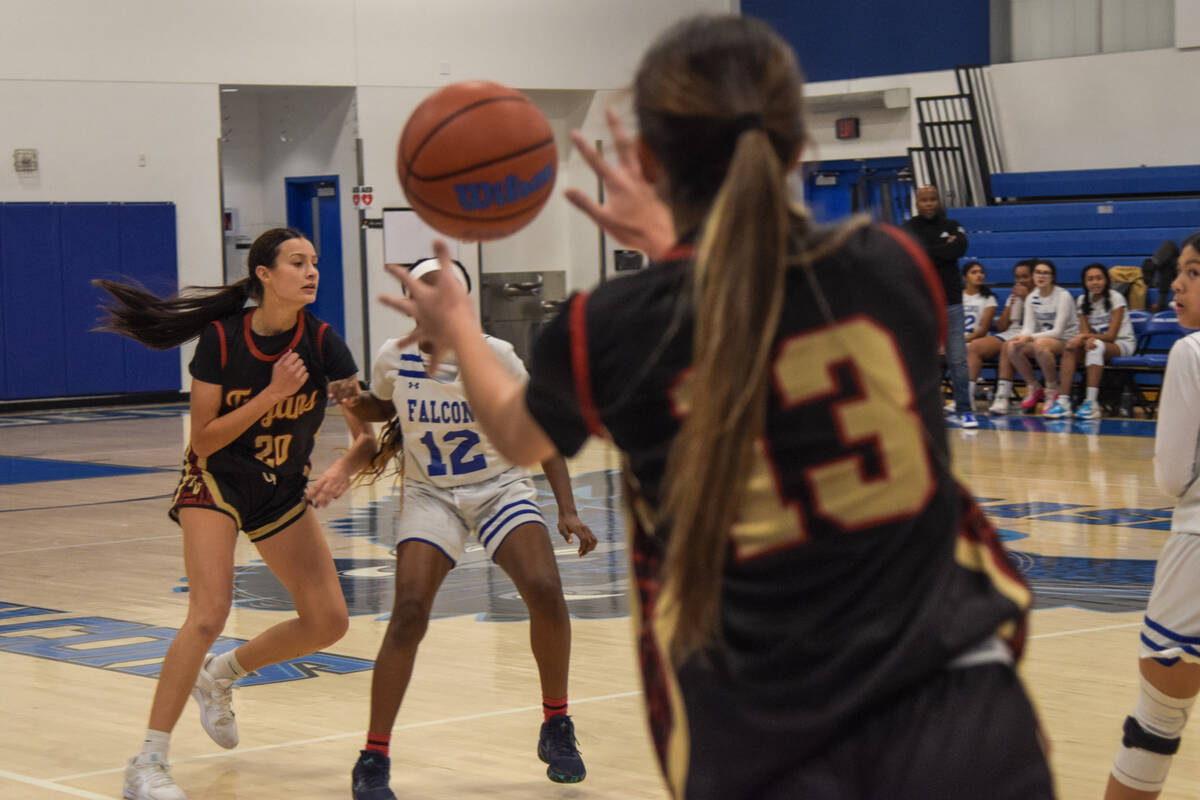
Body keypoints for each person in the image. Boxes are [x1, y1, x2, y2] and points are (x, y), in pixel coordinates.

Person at [379, 15, 1053, 799]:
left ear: (648, 161)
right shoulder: (890, 264)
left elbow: (517, 434)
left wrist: (459, 327)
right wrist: (677, 249)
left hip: (766, 732)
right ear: (798, 147)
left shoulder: (614, 324)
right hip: (962, 710)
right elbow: (742, 298)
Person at [306, 258, 598, 799]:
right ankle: (374, 757)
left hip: (499, 486)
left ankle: (556, 723)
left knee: (544, 587)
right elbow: (382, 404)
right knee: (409, 612)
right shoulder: (392, 356)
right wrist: (350, 398)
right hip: (430, 494)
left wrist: (567, 508)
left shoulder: (496, 355)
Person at [94, 228, 359, 800]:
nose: (312, 271)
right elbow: (205, 442)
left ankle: (224, 674)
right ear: (264, 274)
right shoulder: (220, 339)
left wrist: (347, 466)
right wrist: (268, 395)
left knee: (328, 622)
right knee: (209, 613)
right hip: (216, 478)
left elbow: (364, 432)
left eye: (314, 262)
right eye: (297, 262)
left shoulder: (325, 343)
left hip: (281, 487)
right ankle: (147, 763)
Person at [1105, 232, 1200, 798]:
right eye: (1180, 273)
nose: (1178, 284)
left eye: (1194, 272)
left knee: (1156, 724)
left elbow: (1170, 477)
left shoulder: (1191, 353)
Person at [902, 184, 974, 427]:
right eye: (925, 199)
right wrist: (944, 250)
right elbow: (911, 253)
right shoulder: (908, 228)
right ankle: (929, 410)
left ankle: (965, 409)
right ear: (917, 203)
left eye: (933, 199)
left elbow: (960, 247)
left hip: (951, 302)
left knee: (958, 360)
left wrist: (928, 250)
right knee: (924, 359)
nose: (930, 203)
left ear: (938, 201)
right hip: (922, 303)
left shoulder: (951, 225)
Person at [1042, 263, 1136, 420]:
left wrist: (1084, 338)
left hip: (1122, 343)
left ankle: (1091, 403)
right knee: (1070, 347)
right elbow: (1085, 333)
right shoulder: (1082, 301)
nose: (1095, 282)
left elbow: (1112, 336)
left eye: (1099, 278)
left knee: (1094, 346)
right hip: (1097, 343)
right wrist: (1082, 339)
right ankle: (1063, 402)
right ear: (1085, 283)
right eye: (1090, 279)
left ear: (1106, 280)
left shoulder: (1116, 298)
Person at [994, 259, 1079, 415]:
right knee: (1012, 346)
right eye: (1038, 272)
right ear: (1033, 276)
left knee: (1040, 345)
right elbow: (1028, 327)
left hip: (1067, 340)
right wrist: (1021, 337)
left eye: (1045, 273)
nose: (1041, 276)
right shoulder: (1032, 297)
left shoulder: (1063, 295)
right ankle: (1034, 386)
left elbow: (1058, 332)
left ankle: (1052, 390)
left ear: (1052, 277)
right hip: (1045, 338)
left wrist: (1029, 337)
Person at [976, 259, 1036, 414]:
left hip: (1035, 333)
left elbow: (1042, 322)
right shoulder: (1015, 294)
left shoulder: (1040, 294)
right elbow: (1002, 327)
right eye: (1017, 277)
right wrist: (1012, 303)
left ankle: (1002, 396)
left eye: (1025, 276)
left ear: (1034, 276)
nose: (1021, 280)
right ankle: (966, 397)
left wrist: (1026, 297)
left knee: (1007, 345)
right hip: (1013, 332)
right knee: (975, 347)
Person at [961, 260, 997, 404]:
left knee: (964, 350)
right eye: (974, 272)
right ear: (965, 277)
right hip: (958, 340)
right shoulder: (957, 296)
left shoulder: (989, 298)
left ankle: (965, 398)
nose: (979, 275)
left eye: (981, 272)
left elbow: (983, 330)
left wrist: (962, 340)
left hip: (977, 342)